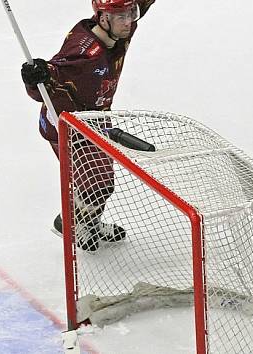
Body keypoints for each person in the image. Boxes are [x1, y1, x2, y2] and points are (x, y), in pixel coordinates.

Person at [20, 0, 155, 252]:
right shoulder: (83, 52)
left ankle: (89, 222)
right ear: (103, 18)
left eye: (130, 14)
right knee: (97, 183)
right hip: (69, 125)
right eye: (121, 16)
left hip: (96, 118)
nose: (129, 21)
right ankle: (69, 223)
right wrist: (34, 76)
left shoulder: (119, 29)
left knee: (100, 182)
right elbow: (48, 80)